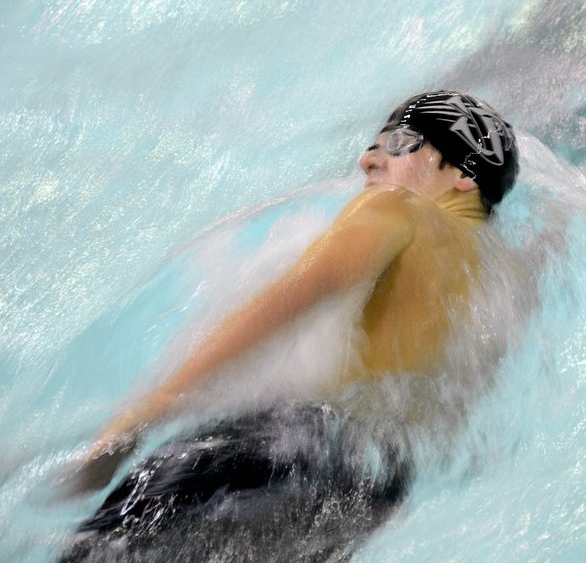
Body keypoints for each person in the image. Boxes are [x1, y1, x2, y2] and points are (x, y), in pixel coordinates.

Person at [59, 91, 520, 562]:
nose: (367, 160)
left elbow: (289, 300)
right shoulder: (504, 275)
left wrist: (145, 413)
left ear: (463, 175)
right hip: (373, 492)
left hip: (298, 448)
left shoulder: (399, 208)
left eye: (398, 144)